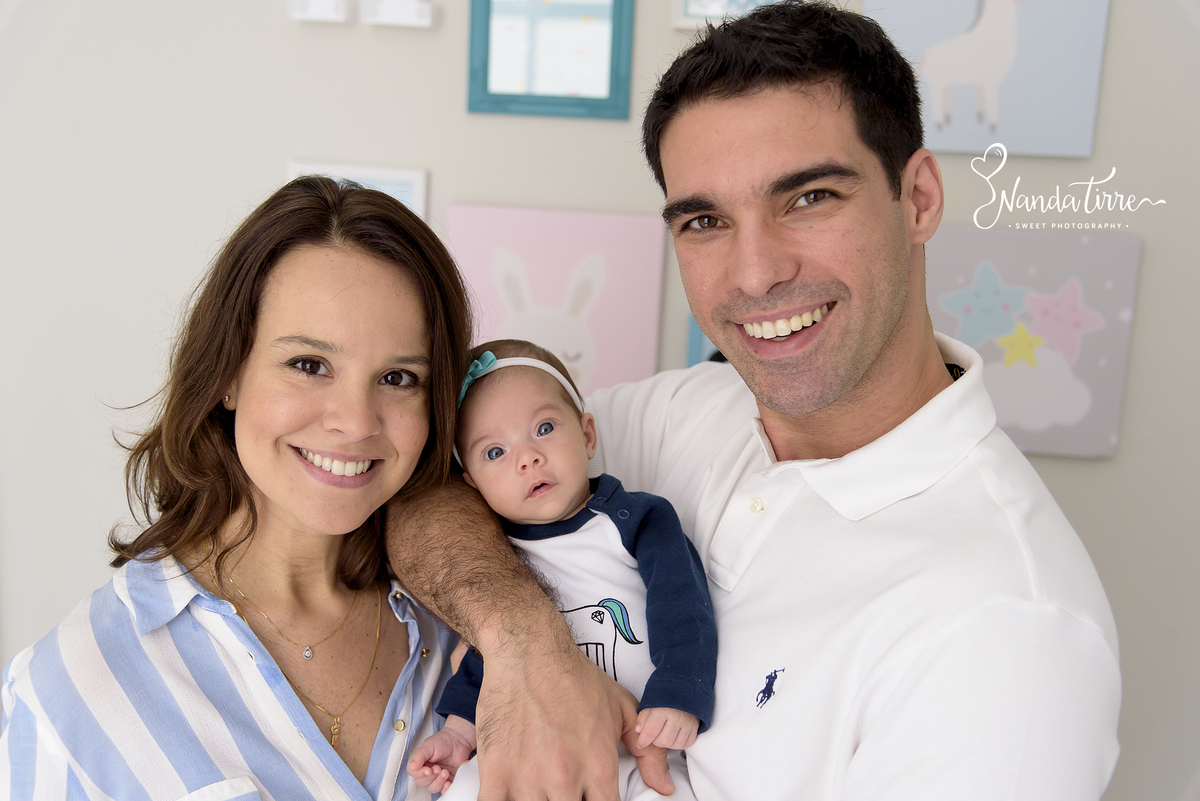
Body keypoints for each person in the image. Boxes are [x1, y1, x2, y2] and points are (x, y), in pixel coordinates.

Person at [385, 3, 1122, 800]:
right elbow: (426, 497)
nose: (754, 273)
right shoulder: (685, 412)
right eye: (705, 220)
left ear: (918, 199)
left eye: (808, 198)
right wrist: (522, 640)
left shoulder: (1010, 633)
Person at [0, 175, 474, 799]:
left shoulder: (463, 633)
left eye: (399, 376)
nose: (356, 422)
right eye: (309, 365)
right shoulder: (73, 691)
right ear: (228, 371)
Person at [405, 340, 716, 798]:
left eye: (544, 427)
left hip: (644, 744)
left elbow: (685, 609)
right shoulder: (495, 559)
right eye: (494, 453)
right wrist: (456, 734)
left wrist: (678, 692)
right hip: (534, 751)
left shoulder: (636, 521)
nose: (527, 457)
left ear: (588, 434)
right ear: (471, 483)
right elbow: (488, 663)